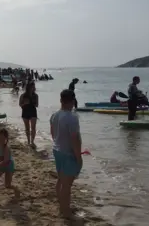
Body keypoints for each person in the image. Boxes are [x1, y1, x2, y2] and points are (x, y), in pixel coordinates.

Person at [50, 89, 82, 219]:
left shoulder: (55, 115)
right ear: (73, 101)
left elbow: (52, 134)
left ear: (61, 100)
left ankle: (62, 204)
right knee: (67, 185)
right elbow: (75, 138)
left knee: (61, 180)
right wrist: (78, 157)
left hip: (57, 150)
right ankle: (66, 211)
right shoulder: (72, 117)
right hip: (68, 153)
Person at [19, 81, 38, 149]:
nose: (33, 88)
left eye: (33, 87)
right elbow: (20, 104)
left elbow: (37, 105)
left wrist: (33, 102)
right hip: (25, 112)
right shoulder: (23, 95)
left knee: (33, 128)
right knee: (27, 128)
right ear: (28, 87)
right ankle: (28, 141)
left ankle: (32, 142)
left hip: (33, 112)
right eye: (32, 86)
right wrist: (25, 103)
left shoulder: (35, 95)